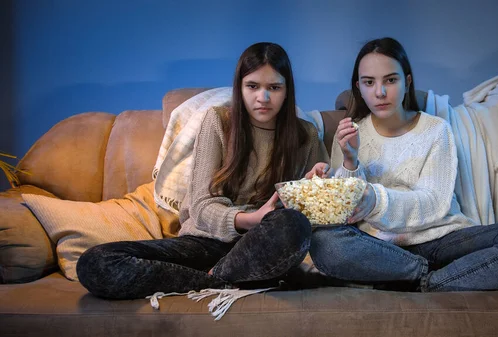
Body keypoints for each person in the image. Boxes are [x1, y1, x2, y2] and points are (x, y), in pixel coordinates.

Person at [76, 42, 328, 299]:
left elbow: (316, 214)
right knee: (96, 261)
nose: (262, 98)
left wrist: (312, 187)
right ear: (240, 88)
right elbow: (200, 205)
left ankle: (221, 277)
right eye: (252, 86)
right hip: (204, 242)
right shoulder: (218, 121)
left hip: (260, 246)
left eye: (274, 88)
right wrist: (249, 219)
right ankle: (221, 281)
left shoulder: (305, 136)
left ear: (287, 91)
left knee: (293, 224)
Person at [309, 37, 498, 292]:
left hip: (441, 239)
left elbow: (434, 202)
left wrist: (376, 199)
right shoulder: (350, 134)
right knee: (324, 243)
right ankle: (431, 276)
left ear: (406, 82)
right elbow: (345, 214)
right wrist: (350, 160)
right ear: (358, 87)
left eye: (390, 80)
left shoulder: (435, 130)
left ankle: (424, 281)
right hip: (380, 249)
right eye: (369, 82)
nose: (380, 92)